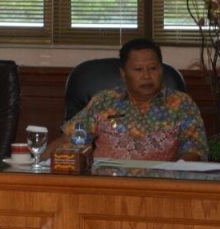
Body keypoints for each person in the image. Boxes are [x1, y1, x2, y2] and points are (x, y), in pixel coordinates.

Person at [54, 38, 208, 161]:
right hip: (106, 185)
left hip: (160, 186)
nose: (147, 76)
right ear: (123, 74)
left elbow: (194, 150)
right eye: (138, 69)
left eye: (153, 68)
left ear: (161, 70)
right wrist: (37, 163)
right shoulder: (105, 101)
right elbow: (70, 140)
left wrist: (178, 171)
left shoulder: (181, 104)